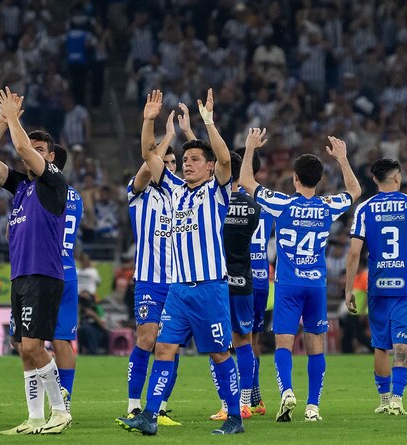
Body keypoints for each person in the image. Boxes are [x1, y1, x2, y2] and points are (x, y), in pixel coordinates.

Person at [117, 89, 242, 436]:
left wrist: (209, 123)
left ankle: (234, 417)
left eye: (194, 160)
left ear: (209, 166)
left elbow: (227, 162)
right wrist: (148, 120)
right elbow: (147, 154)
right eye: (185, 160)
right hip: (177, 291)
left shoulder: (216, 192)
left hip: (209, 288)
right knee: (163, 348)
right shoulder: (172, 189)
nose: (186, 164)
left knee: (219, 355)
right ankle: (150, 416)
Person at [239, 128, 361, 422]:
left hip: (288, 284)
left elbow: (245, 181)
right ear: (319, 180)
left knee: (284, 342)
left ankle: (287, 392)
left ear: (295, 178)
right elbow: (355, 192)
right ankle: (313, 406)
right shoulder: (327, 206)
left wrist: (250, 148)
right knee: (315, 344)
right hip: (316, 285)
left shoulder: (282, 204)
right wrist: (343, 160)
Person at [0, 87, 70, 435]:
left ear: (51, 159)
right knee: (23, 349)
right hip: (21, 276)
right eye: (32, 147)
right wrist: (3, 122)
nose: (31, 152)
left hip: (44, 274)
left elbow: (20, 148)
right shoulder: (19, 186)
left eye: (40, 150)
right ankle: (33, 417)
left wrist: (15, 119)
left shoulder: (54, 183)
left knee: (34, 345)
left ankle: (60, 411)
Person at [345, 158, 407, 416]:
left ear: (375, 180)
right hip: (405, 285)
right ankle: (397, 398)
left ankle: (384, 399)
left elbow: (354, 253)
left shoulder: (364, 208)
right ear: (398, 178)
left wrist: (349, 288)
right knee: (401, 344)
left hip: (378, 286)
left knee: (380, 344)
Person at [124, 107, 182, 426]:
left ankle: (158, 407)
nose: (169, 167)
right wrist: (167, 136)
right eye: (167, 162)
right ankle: (134, 404)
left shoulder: (183, 197)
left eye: (174, 163)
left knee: (169, 345)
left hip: (178, 282)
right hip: (149, 280)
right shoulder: (141, 195)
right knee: (146, 339)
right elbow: (149, 164)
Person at [209, 151, 260, 421]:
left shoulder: (215, 202)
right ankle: (244, 402)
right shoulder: (253, 207)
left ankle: (225, 403)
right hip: (243, 280)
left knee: (216, 345)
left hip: (217, 281)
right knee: (245, 344)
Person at [235, 146, 272, 417]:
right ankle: (257, 397)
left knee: (236, 341)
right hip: (262, 279)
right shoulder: (266, 201)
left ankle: (240, 400)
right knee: (253, 338)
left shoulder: (230, 199)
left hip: (238, 277)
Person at [50, 143, 84, 414]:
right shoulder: (76, 196)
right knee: (63, 341)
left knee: (27, 342)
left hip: (43, 273)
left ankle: (43, 401)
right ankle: (65, 400)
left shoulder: (42, 191)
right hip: (68, 272)